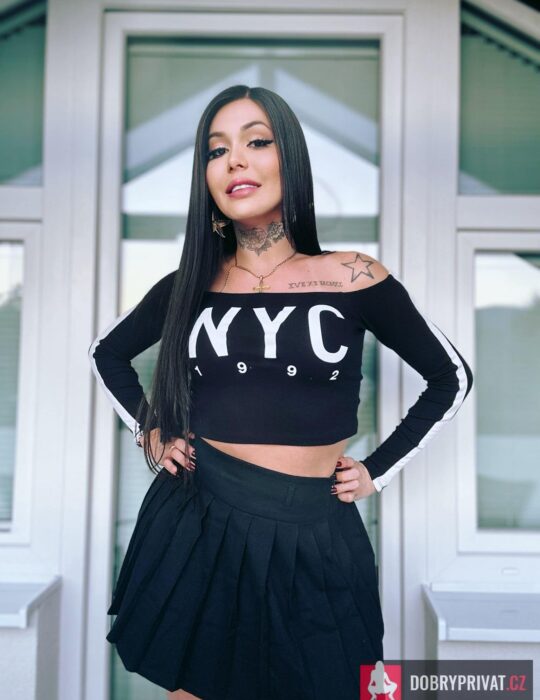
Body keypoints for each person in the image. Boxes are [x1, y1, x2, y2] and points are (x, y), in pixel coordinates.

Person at [88, 84, 474, 700]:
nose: (235, 160)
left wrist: (377, 470)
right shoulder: (189, 284)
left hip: (314, 530)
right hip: (201, 520)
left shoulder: (351, 275)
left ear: (289, 158)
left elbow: (451, 376)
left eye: (257, 141)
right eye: (217, 150)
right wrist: (151, 430)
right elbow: (106, 353)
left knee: (335, 684)